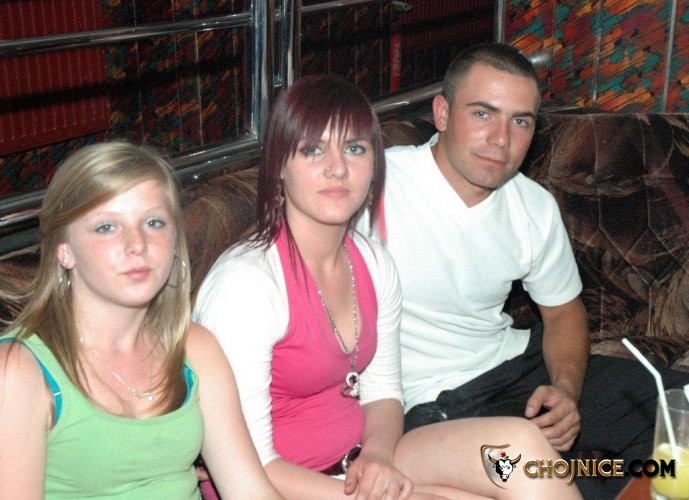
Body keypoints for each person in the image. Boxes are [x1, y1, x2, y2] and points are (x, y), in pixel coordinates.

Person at [194, 74, 581, 499]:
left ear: (374, 166)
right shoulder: (245, 286)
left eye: (354, 149)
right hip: (281, 484)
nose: (337, 168)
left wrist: (377, 456)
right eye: (313, 149)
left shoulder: (373, 263)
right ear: (279, 166)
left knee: (522, 448)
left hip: (363, 460)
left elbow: (383, 393)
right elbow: (250, 468)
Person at [357, 41, 689, 498]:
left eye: (520, 121)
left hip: (518, 366)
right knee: (556, 479)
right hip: (434, 402)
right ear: (442, 113)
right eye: (483, 114)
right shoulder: (374, 185)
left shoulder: (532, 205)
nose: (501, 139)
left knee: (682, 414)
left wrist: (566, 391)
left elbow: (564, 312)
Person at [0, 142, 281, 499]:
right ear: (64, 249)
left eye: (153, 222)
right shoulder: (19, 370)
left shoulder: (195, 348)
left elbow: (251, 491)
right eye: (106, 227)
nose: (137, 244)